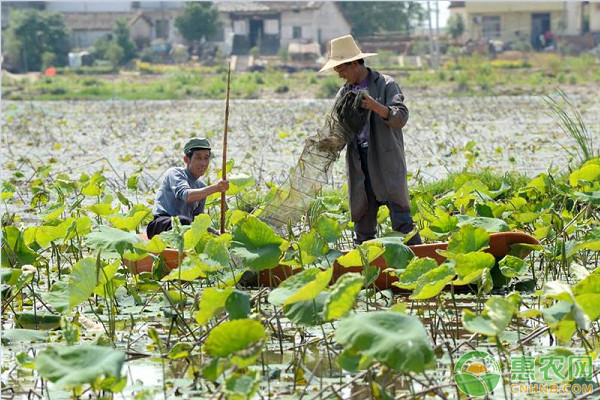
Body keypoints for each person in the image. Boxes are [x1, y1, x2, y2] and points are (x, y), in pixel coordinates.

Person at [319, 35, 422, 246]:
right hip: (359, 162)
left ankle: (421, 258)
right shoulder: (344, 93)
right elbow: (339, 128)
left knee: (402, 219)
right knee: (362, 222)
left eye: (342, 70)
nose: (341, 76)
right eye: (338, 72)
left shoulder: (386, 84)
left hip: (385, 159)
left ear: (355, 63)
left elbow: (400, 118)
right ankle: (366, 269)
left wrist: (375, 106)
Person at [147, 138, 229, 239]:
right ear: (186, 159)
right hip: (161, 225)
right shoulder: (175, 173)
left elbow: (197, 220)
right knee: (182, 222)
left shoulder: (202, 187)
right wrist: (216, 188)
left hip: (185, 228)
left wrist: (215, 233)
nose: (203, 163)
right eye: (198, 158)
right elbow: (186, 195)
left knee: (194, 229)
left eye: (206, 158)